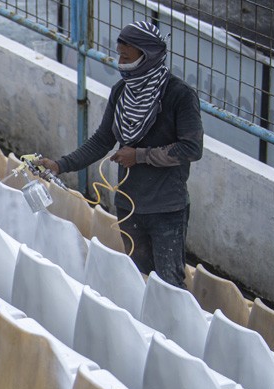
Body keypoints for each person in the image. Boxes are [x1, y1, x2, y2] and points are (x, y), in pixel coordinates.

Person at [35, 21, 203, 288]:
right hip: (129, 206)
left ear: (148, 56)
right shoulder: (122, 93)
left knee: (169, 285)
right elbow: (102, 140)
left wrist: (139, 156)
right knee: (139, 279)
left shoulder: (179, 96)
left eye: (127, 57)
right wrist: (59, 165)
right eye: (120, 56)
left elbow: (191, 148)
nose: (121, 63)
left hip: (166, 209)